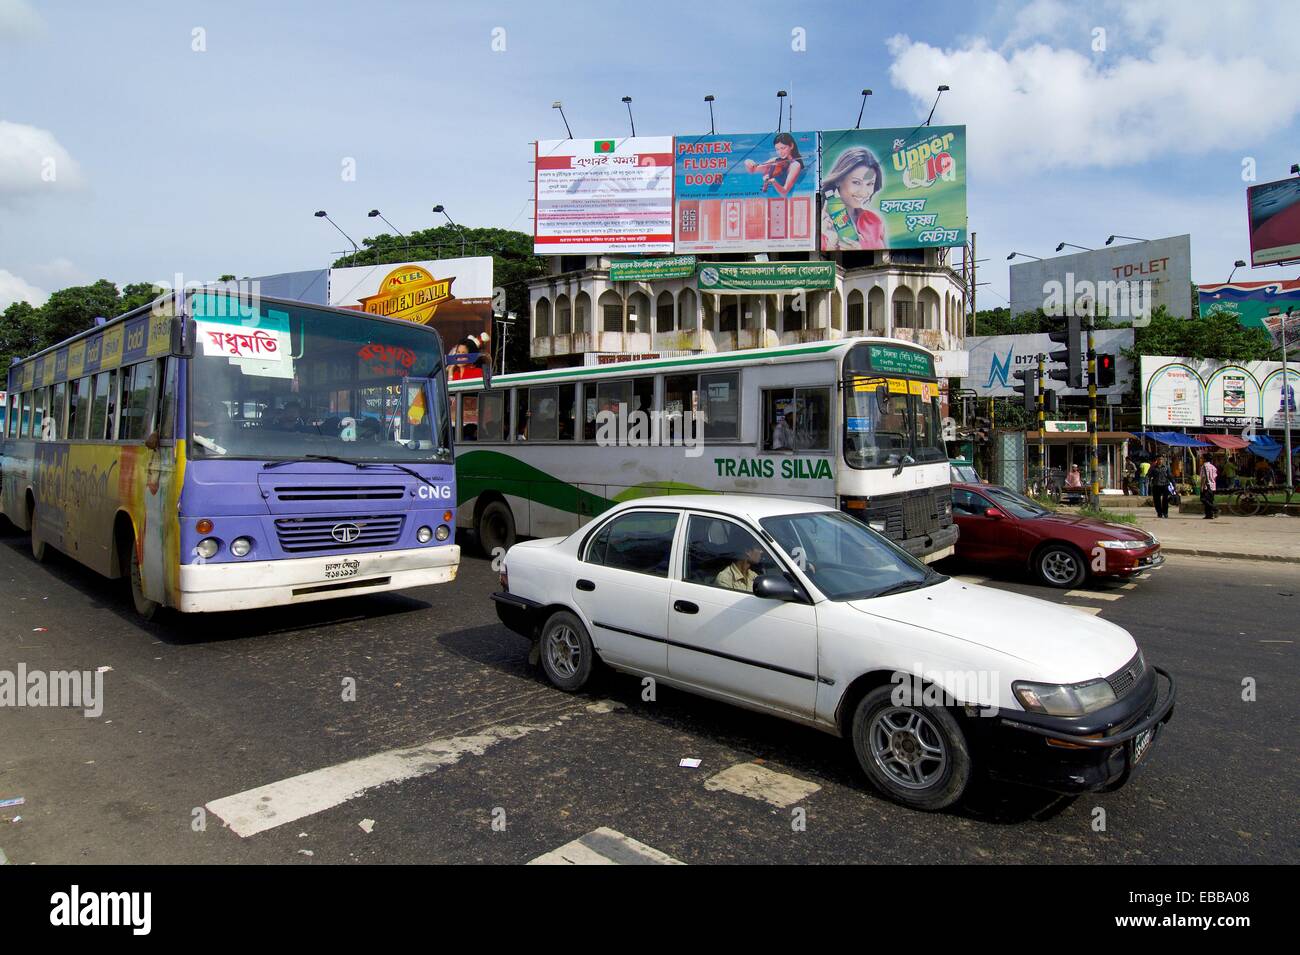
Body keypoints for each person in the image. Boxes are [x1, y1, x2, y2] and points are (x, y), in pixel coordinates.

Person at [819, 147, 887, 251]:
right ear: (839, 180)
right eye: (856, 182)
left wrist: (861, 251)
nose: (864, 192)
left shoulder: (874, 221)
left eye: (870, 184)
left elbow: (885, 260)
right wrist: (831, 245)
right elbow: (816, 264)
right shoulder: (820, 222)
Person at [743, 132, 805, 197]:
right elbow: (752, 170)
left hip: (785, 201)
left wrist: (774, 182)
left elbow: (784, 192)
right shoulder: (775, 160)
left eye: (783, 148)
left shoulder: (795, 165)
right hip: (770, 199)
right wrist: (747, 162)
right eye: (777, 149)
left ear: (791, 146)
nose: (780, 152)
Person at [1200, 454, 1219, 520]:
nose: (1201, 459)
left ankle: (1215, 509)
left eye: (1202, 458)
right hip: (1213, 486)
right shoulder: (1213, 467)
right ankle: (1209, 515)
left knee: (1203, 499)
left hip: (1206, 486)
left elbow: (1203, 477)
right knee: (1210, 500)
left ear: (1205, 459)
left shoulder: (1204, 466)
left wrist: (1202, 486)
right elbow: (1215, 477)